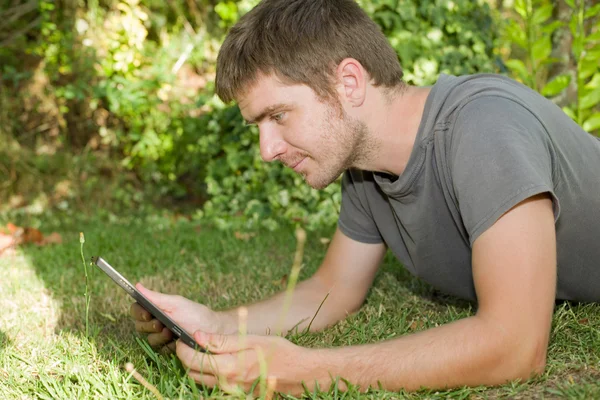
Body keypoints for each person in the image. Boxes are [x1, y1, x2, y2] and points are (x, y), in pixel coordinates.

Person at [130, 0, 600, 395]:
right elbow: (331, 291)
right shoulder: (366, 173)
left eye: (278, 116)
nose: (267, 150)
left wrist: (302, 372)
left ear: (348, 82)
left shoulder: (484, 126)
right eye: (258, 126)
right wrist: (218, 324)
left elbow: (516, 345)